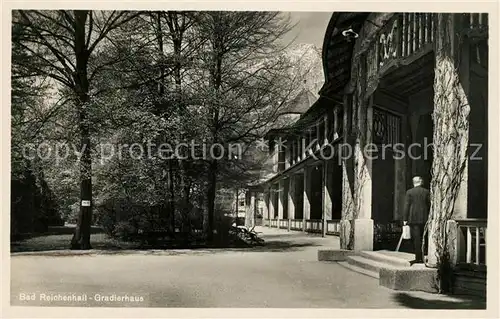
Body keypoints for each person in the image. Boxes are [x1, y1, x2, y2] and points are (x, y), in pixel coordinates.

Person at [403, 176, 430, 264]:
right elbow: (429, 205)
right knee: (423, 237)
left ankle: (418, 257)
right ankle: (422, 256)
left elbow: (406, 206)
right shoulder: (426, 192)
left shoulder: (409, 192)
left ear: (413, 182)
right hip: (424, 218)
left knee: (416, 239)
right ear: (420, 182)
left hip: (413, 219)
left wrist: (405, 219)